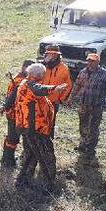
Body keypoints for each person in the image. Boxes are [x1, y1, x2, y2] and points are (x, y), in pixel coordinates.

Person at [14, 63, 68, 191]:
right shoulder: (30, 85)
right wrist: (54, 88)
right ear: (38, 75)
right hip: (36, 130)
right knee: (46, 156)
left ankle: (23, 181)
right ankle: (48, 186)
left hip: (28, 128)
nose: (44, 77)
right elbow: (38, 89)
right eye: (43, 75)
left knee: (31, 155)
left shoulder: (23, 83)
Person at [67, 53, 106, 165]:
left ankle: (90, 151)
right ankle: (83, 144)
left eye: (93, 61)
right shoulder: (83, 72)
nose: (90, 63)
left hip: (96, 106)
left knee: (93, 129)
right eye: (89, 60)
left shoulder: (105, 73)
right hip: (83, 105)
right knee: (83, 125)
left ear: (98, 62)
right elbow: (77, 86)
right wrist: (71, 98)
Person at [0, 59, 35, 167]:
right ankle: (8, 161)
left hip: (14, 114)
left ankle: (7, 159)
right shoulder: (21, 82)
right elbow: (12, 99)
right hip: (16, 115)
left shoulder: (18, 78)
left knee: (11, 138)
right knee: (13, 139)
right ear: (24, 68)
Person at [41, 45, 72, 137]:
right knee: (39, 120)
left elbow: (68, 85)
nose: (51, 56)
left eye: (53, 54)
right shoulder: (41, 66)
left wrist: (61, 99)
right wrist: (43, 63)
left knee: (51, 122)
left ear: (58, 55)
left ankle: (49, 139)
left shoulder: (64, 68)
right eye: (49, 54)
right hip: (40, 99)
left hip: (54, 101)